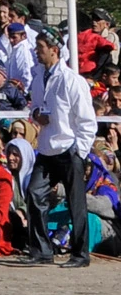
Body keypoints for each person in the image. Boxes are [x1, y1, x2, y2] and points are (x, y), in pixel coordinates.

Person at [26, 26, 97, 266]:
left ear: (54, 50)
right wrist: (37, 114)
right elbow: (34, 107)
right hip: (46, 148)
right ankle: (42, 250)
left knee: (76, 202)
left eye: (41, 48)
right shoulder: (38, 78)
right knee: (34, 193)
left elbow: (87, 119)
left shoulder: (72, 81)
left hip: (68, 148)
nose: (37, 52)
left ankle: (80, 254)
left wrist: (80, 150)